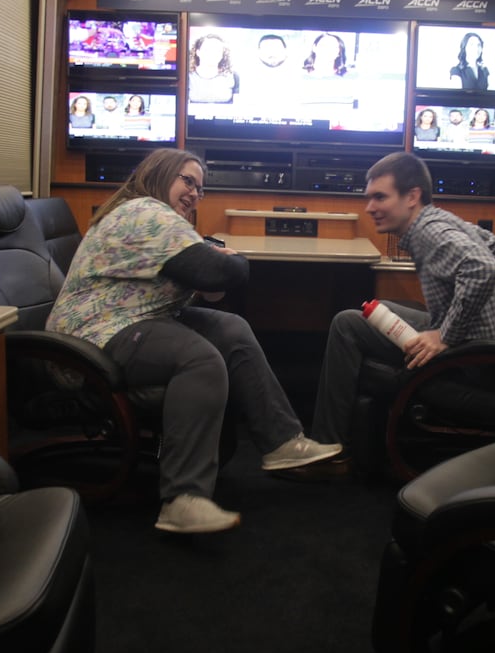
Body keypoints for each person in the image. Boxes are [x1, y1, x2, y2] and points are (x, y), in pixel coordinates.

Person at [46, 148, 341, 533]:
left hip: (133, 320)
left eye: (200, 189)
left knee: (230, 329)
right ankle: (183, 498)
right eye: (187, 181)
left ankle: (282, 441)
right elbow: (217, 271)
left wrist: (218, 265)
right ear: (159, 173)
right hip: (90, 338)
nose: (194, 193)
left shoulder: (157, 218)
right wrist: (229, 261)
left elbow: (208, 277)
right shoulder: (145, 212)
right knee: (199, 358)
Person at [309, 152, 495, 465]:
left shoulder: (428, 231)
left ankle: (326, 452)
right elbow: (489, 241)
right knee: (375, 312)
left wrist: (446, 334)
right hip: (494, 345)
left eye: (380, 197)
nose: (370, 208)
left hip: (478, 359)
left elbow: (482, 267)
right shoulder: (437, 219)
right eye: (369, 198)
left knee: (347, 324)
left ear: (412, 196)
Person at [188, 33, 239, 103]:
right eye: (207, 50)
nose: (212, 54)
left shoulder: (233, 76)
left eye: (217, 50)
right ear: (198, 52)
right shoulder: (188, 76)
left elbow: (238, 106)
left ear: (222, 54)